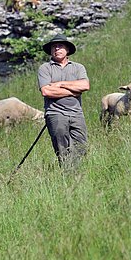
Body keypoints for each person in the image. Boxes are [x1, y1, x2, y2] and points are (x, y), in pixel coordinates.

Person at [38, 34, 90, 168]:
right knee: (62, 147)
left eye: (60, 46)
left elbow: (85, 86)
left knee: (81, 145)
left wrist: (60, 84)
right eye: (54, 47)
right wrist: (74, 90)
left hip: (76, 113)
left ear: (67, 49)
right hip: (55, 113)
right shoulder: (45, 68)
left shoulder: (78, 67)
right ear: (50, 50)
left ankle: (78, 172)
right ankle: (67, 174)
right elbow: (46, 91)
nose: (56, 49)